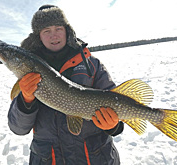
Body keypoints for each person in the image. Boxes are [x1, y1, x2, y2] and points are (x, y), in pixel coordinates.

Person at [8, 4, 124, 165]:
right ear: (38, 37)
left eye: (58, 29)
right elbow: (18, 128)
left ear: (67, 31)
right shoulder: (29, 74)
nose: (53, 35)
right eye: (46, 31)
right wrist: (26, 100)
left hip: (94, 157)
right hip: (49, 158)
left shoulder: (92, 65)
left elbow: (118, 102)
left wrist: (113, 126)